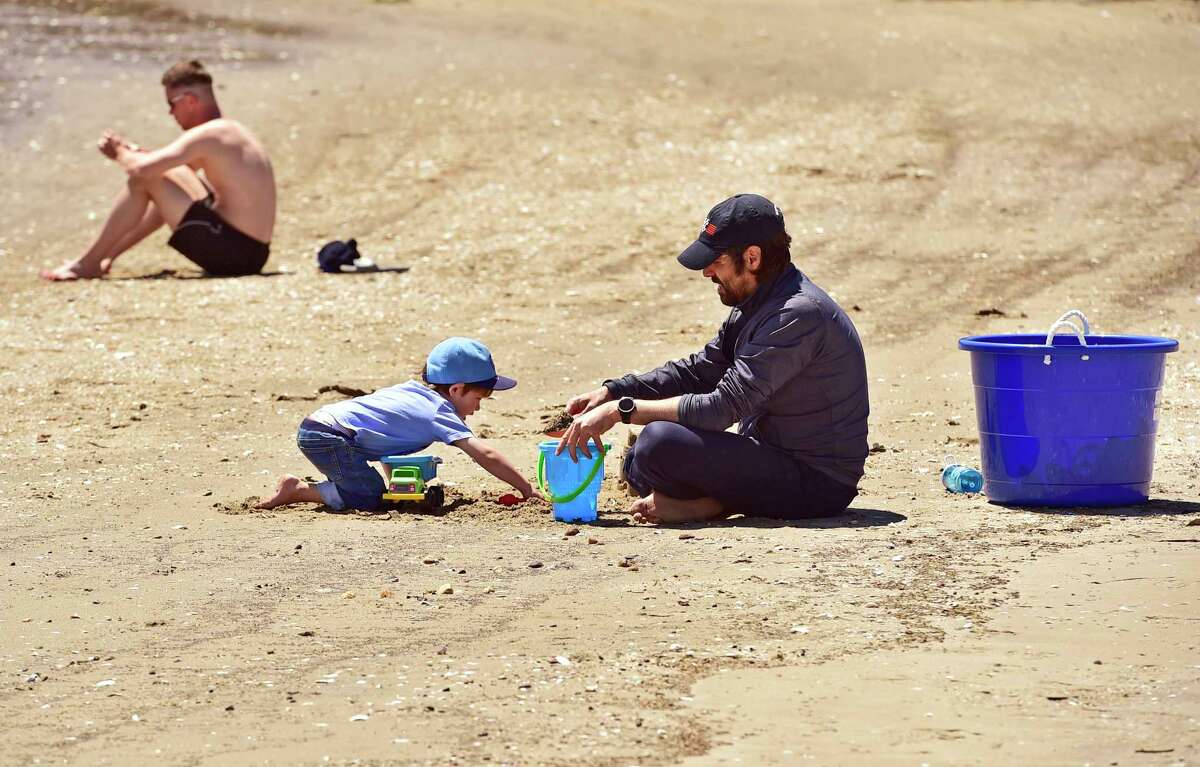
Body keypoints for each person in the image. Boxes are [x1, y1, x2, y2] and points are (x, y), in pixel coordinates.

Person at [559, 193, 869, 525]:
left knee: (657, 443)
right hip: (773, 459)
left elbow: (722, 409)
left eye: (716, 261)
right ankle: (712, 502)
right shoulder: (758, 302)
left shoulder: (796, 314)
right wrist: (614, 392)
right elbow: (699, 371)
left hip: (818, 483)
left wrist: (622, 412)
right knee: (640, 459)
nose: (707, 272)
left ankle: (714, 504)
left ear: (752, 257)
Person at [40, 59, 276, 280]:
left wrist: (120, 152)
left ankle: (87, 263)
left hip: (234, 255)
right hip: (251, 253)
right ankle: (101, 258)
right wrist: (112, 255)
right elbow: (163, 181)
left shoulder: (209, 135)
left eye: (171, 104)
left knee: (145, 178)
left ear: (191, 100)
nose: (170, 113)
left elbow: (141, 171)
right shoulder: (230, 131)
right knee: (159, 177)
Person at [257, 337, 544, 511]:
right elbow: (485, 454)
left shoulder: (412, 393)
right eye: (479, 397)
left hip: (321, 427)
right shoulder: (438, 412)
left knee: (370, 485)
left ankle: (337, 485)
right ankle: (298, 490)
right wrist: (525, 488)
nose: (478, 406)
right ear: (456, 390)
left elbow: (384, 436)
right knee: (369, 497)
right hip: (329, 436)